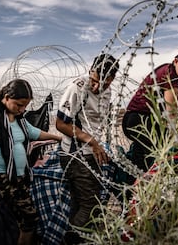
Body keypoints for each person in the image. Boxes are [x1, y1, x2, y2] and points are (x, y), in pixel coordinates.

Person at [0, 78, 62, 245]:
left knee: (29, 218)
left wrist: (58, 137)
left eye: (25, 106)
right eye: (19, 104)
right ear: (7, 96)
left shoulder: (18, 118)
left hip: (17, 180)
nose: (22, 109)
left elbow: (33, 132)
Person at [56, 53, 119, 244]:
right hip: (75, 154)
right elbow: (61, 124)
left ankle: (78, 238)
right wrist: (91, 141)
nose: (98, 87)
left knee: (83, 203)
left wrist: (99, 144)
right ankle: (72, 240)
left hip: (93, 154)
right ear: (91, 71)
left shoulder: (107, 92)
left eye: (106, 83)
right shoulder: (78, 87)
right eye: (95, 80)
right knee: (91, 205)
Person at [122, 46, 178, 173]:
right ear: (176, 61)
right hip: (140, 120)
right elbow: (171, 116)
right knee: (158, 157)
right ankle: (143, 185)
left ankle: (129, 185)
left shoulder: (166, 69)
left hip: (135, 120)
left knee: (140, 161)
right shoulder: (171, 78)